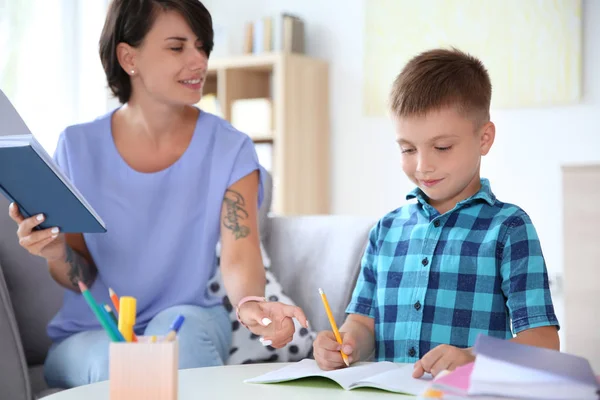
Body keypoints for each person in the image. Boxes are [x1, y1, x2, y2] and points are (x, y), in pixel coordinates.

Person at [8, 0, 307, 389]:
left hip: (188, 318)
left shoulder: (231, 147)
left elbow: (240, 251)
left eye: (202, 46)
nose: (198, 60)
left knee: (176, 351)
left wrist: (251, 304)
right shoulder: (77, 145)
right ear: (129, 57)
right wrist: (54, 251)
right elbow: (80, 271)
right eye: (177, 47)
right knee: (121, 364)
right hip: (93, 334)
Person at [312, 48, 560, 377]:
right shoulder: (386, 230)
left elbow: (543, 341)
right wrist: (345, 343)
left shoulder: (509, 228)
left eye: (442, 147)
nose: (422, 165)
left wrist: (473, 358)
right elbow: (361, 323)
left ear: (484, 138)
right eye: (407, 149)